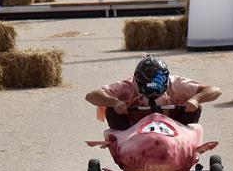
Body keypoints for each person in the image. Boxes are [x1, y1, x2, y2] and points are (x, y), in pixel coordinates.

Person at [85, 55, 221, 131]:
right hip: (133, 131)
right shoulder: (127, 86)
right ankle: (124, 148)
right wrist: (114, 102)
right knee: (111, 110)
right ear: (137, 81)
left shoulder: (176, 84)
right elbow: (91, 96)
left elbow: (215, 90)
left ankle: (185, 145)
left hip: (175, 128)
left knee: (196, 107)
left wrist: (196, 99)